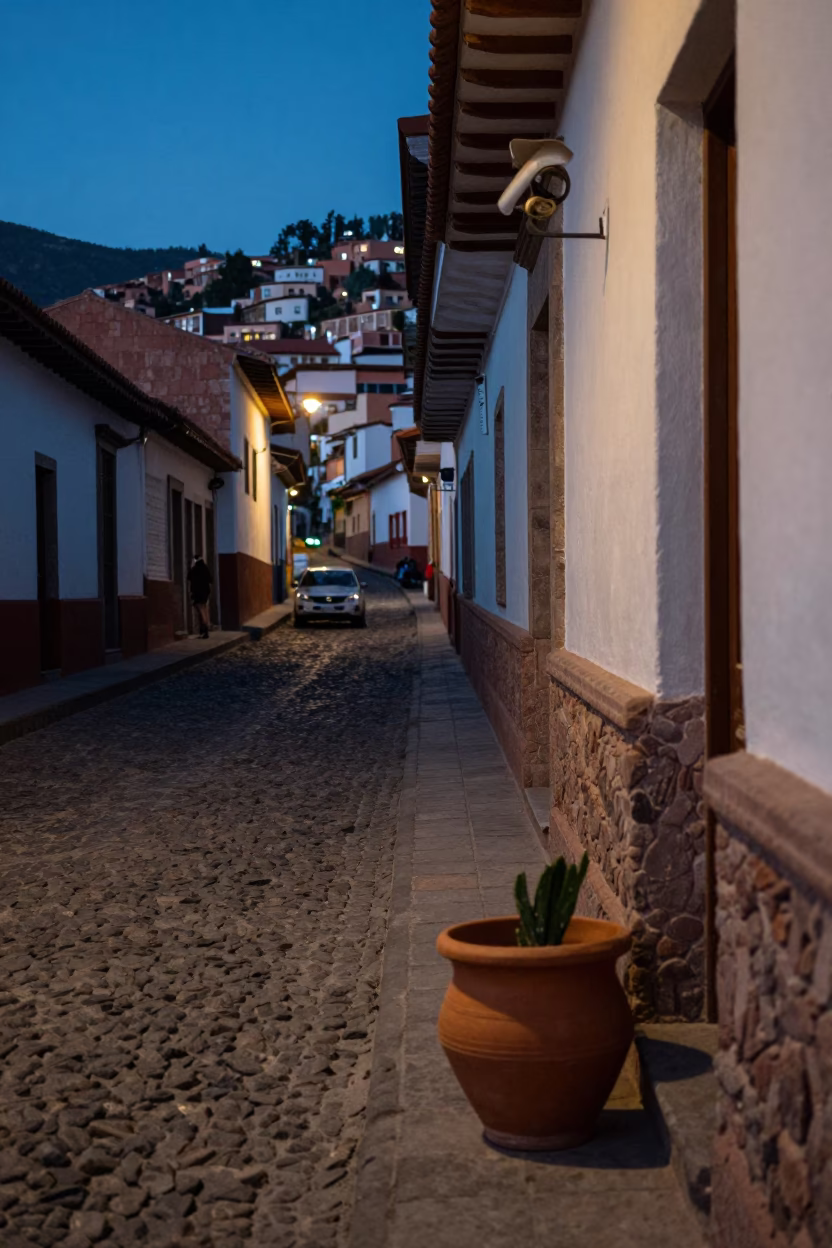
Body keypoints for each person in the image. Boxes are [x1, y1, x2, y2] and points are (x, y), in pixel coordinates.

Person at [187, 556, 212, 638]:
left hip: (198, 593)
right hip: (205, 592)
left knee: (201, 611)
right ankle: (205, 629)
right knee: (204, 609)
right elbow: (210, 580)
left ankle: (205, 630)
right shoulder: (205, 568)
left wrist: (191, 567)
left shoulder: (195, 569)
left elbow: (189, 577)